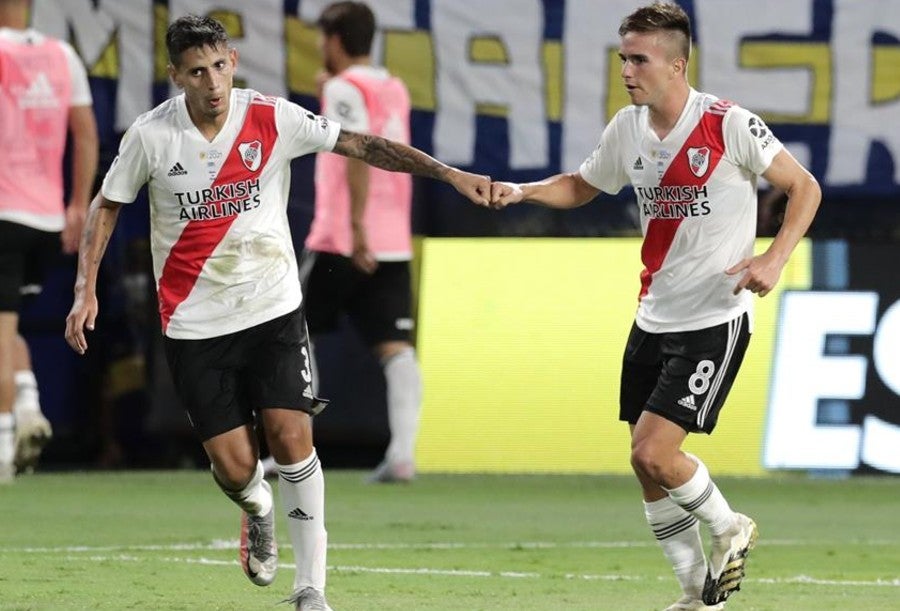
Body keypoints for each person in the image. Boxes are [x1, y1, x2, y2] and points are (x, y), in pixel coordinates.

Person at [64, 14, 489, 611]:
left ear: (232, 60)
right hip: (194, 321)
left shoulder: (273, 116)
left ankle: (310, 588)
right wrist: (86, 290)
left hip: (272, 306)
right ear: (175, 77)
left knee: (292, 435)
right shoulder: (150, 136)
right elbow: (106, 206)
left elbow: (363, 144)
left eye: (218, 66)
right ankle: (256, 505)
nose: (211, 82)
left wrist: (448, 174)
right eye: (196, 72)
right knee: (235, 467)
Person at [488, 3, 820, 609]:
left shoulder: (728, 124)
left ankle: (729, 526)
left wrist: (773, 260)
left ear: (677, 64)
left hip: (714, 319)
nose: (627, 71)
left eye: (639, 59)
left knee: (653, 452)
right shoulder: (627, 127)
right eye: (623, 59)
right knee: (644, 465)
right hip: (653, 315)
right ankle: (697, 592)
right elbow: (583, 185)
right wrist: (524, 191)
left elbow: (805, 186)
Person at [305, 1, 420, 483]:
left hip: (343, 237)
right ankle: (403, 455)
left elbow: (356, 153)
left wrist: (355, 227)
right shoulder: (394, 87)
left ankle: (294, 451)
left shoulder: (341, 87)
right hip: (393, 238)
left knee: (289, 333)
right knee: (396, 349)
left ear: (334, 40)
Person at [0, 0, 99, 482]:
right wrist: (78, 205)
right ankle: (27, 399)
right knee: (7, 324)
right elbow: (85, 135)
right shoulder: (63, 55)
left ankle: (1, 449)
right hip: (43, 217)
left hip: (2, 211)